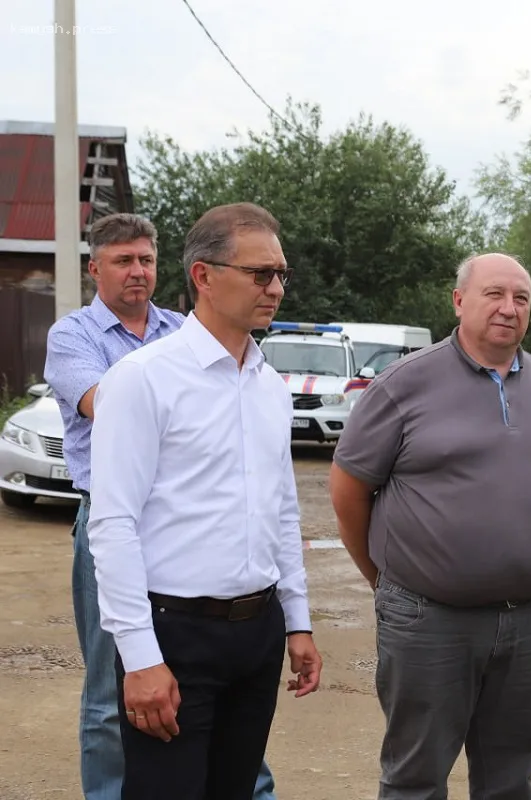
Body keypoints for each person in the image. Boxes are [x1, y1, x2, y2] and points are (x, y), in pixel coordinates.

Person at [85, 202, 322, 800]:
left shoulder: (269, 386)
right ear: (203, 276)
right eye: (260, 273)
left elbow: (281, 509)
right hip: (175, 634)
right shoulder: (144, 380)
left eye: (281, 275)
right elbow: (113, 525)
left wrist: (296, 622)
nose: (275, 288)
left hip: (256, 632)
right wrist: (139, 658)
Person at [44, 212, 280, 800]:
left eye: (146, 259)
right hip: (111, 520)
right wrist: (167, 381)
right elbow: (105, 403)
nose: (138, 272)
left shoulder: (185, 329)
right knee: (114, 682)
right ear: (94, 268)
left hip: (191, 528)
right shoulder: (76, 337)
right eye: (123, 261)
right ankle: (110, 791)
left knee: (224, 712)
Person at [329, 252, 531, 800]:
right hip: (430, 620)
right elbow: (348, 489)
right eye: (494, 294)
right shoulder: (404, 383)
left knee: (513, 777)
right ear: (459, 300)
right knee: (416, 776)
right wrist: (386, 579)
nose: (509, 308)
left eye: (521, 298)